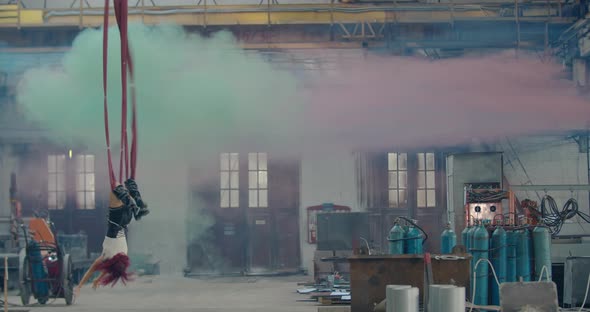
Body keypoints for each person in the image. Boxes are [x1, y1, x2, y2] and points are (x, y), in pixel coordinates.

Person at [74, 179, 149, 297]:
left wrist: (98, 280)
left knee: (128, 189)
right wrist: (80, 286)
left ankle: (136, 203)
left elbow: (109, 269)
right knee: (116, 187)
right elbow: (91, 271)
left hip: (126, 220)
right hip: (115, 221)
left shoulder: (124, 255)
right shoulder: (106, 257)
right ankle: (134, 204)